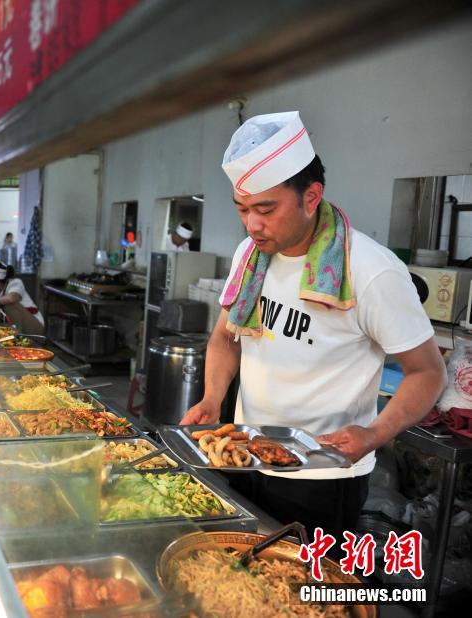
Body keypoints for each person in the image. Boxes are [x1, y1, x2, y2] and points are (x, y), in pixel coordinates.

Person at [181, 111, 445, 546]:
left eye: (266, 209)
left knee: (304, 584)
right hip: (244, 456)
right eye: (243, 209)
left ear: (311, 196)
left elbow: (428, 372)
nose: (252, 224)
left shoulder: (371, 271)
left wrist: (375, 433)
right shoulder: (250, 256)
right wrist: (212, 398)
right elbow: (226, 338)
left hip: (320, 476)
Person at [0, 258, 44, 335]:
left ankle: (16, 336)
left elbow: (12, 298)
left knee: (9, 305)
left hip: (35, 325)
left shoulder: (15, 283)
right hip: (20, 325)